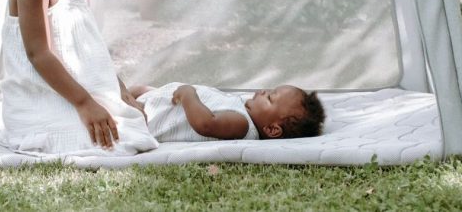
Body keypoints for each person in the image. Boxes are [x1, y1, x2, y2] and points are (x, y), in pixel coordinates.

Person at [0, 0, 158, 155]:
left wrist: (120, 90)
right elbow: (39, 54)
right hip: (41, 104)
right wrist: (85, 104)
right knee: (117, 139)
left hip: (72, 96)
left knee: (131, 121)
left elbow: (90, 55)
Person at [130, 82, 325, 142]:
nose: (264, 91)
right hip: (155, 102)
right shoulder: (241, 108)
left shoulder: (242, 124)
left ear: (272, 129)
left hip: (147, 120)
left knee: (113, 85)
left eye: (270, 98)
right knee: (132, 88)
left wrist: (189, 94)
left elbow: (206, 123)